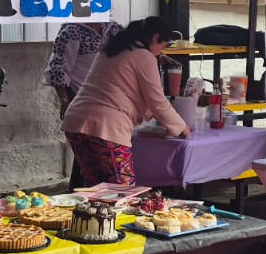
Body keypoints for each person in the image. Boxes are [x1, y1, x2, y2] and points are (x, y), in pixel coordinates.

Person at [61, 17, 189, 185]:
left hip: (76, 122)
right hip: (105, 126)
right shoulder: (144, 56)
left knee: (97, 187)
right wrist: (182, 127)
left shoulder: (112, 48)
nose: (160, 53)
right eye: (162, 46)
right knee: (123, 190)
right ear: (155, 38)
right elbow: (158, 102)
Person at [42, 22, 123, 187]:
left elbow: (132, 52)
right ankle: (82, 192)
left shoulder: (113, 29)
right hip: (81, 99)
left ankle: (87, 191)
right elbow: (58, 69)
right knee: (88, 151)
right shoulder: (72, 31)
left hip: (108, 100)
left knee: (96, 153)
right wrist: (65, 100)